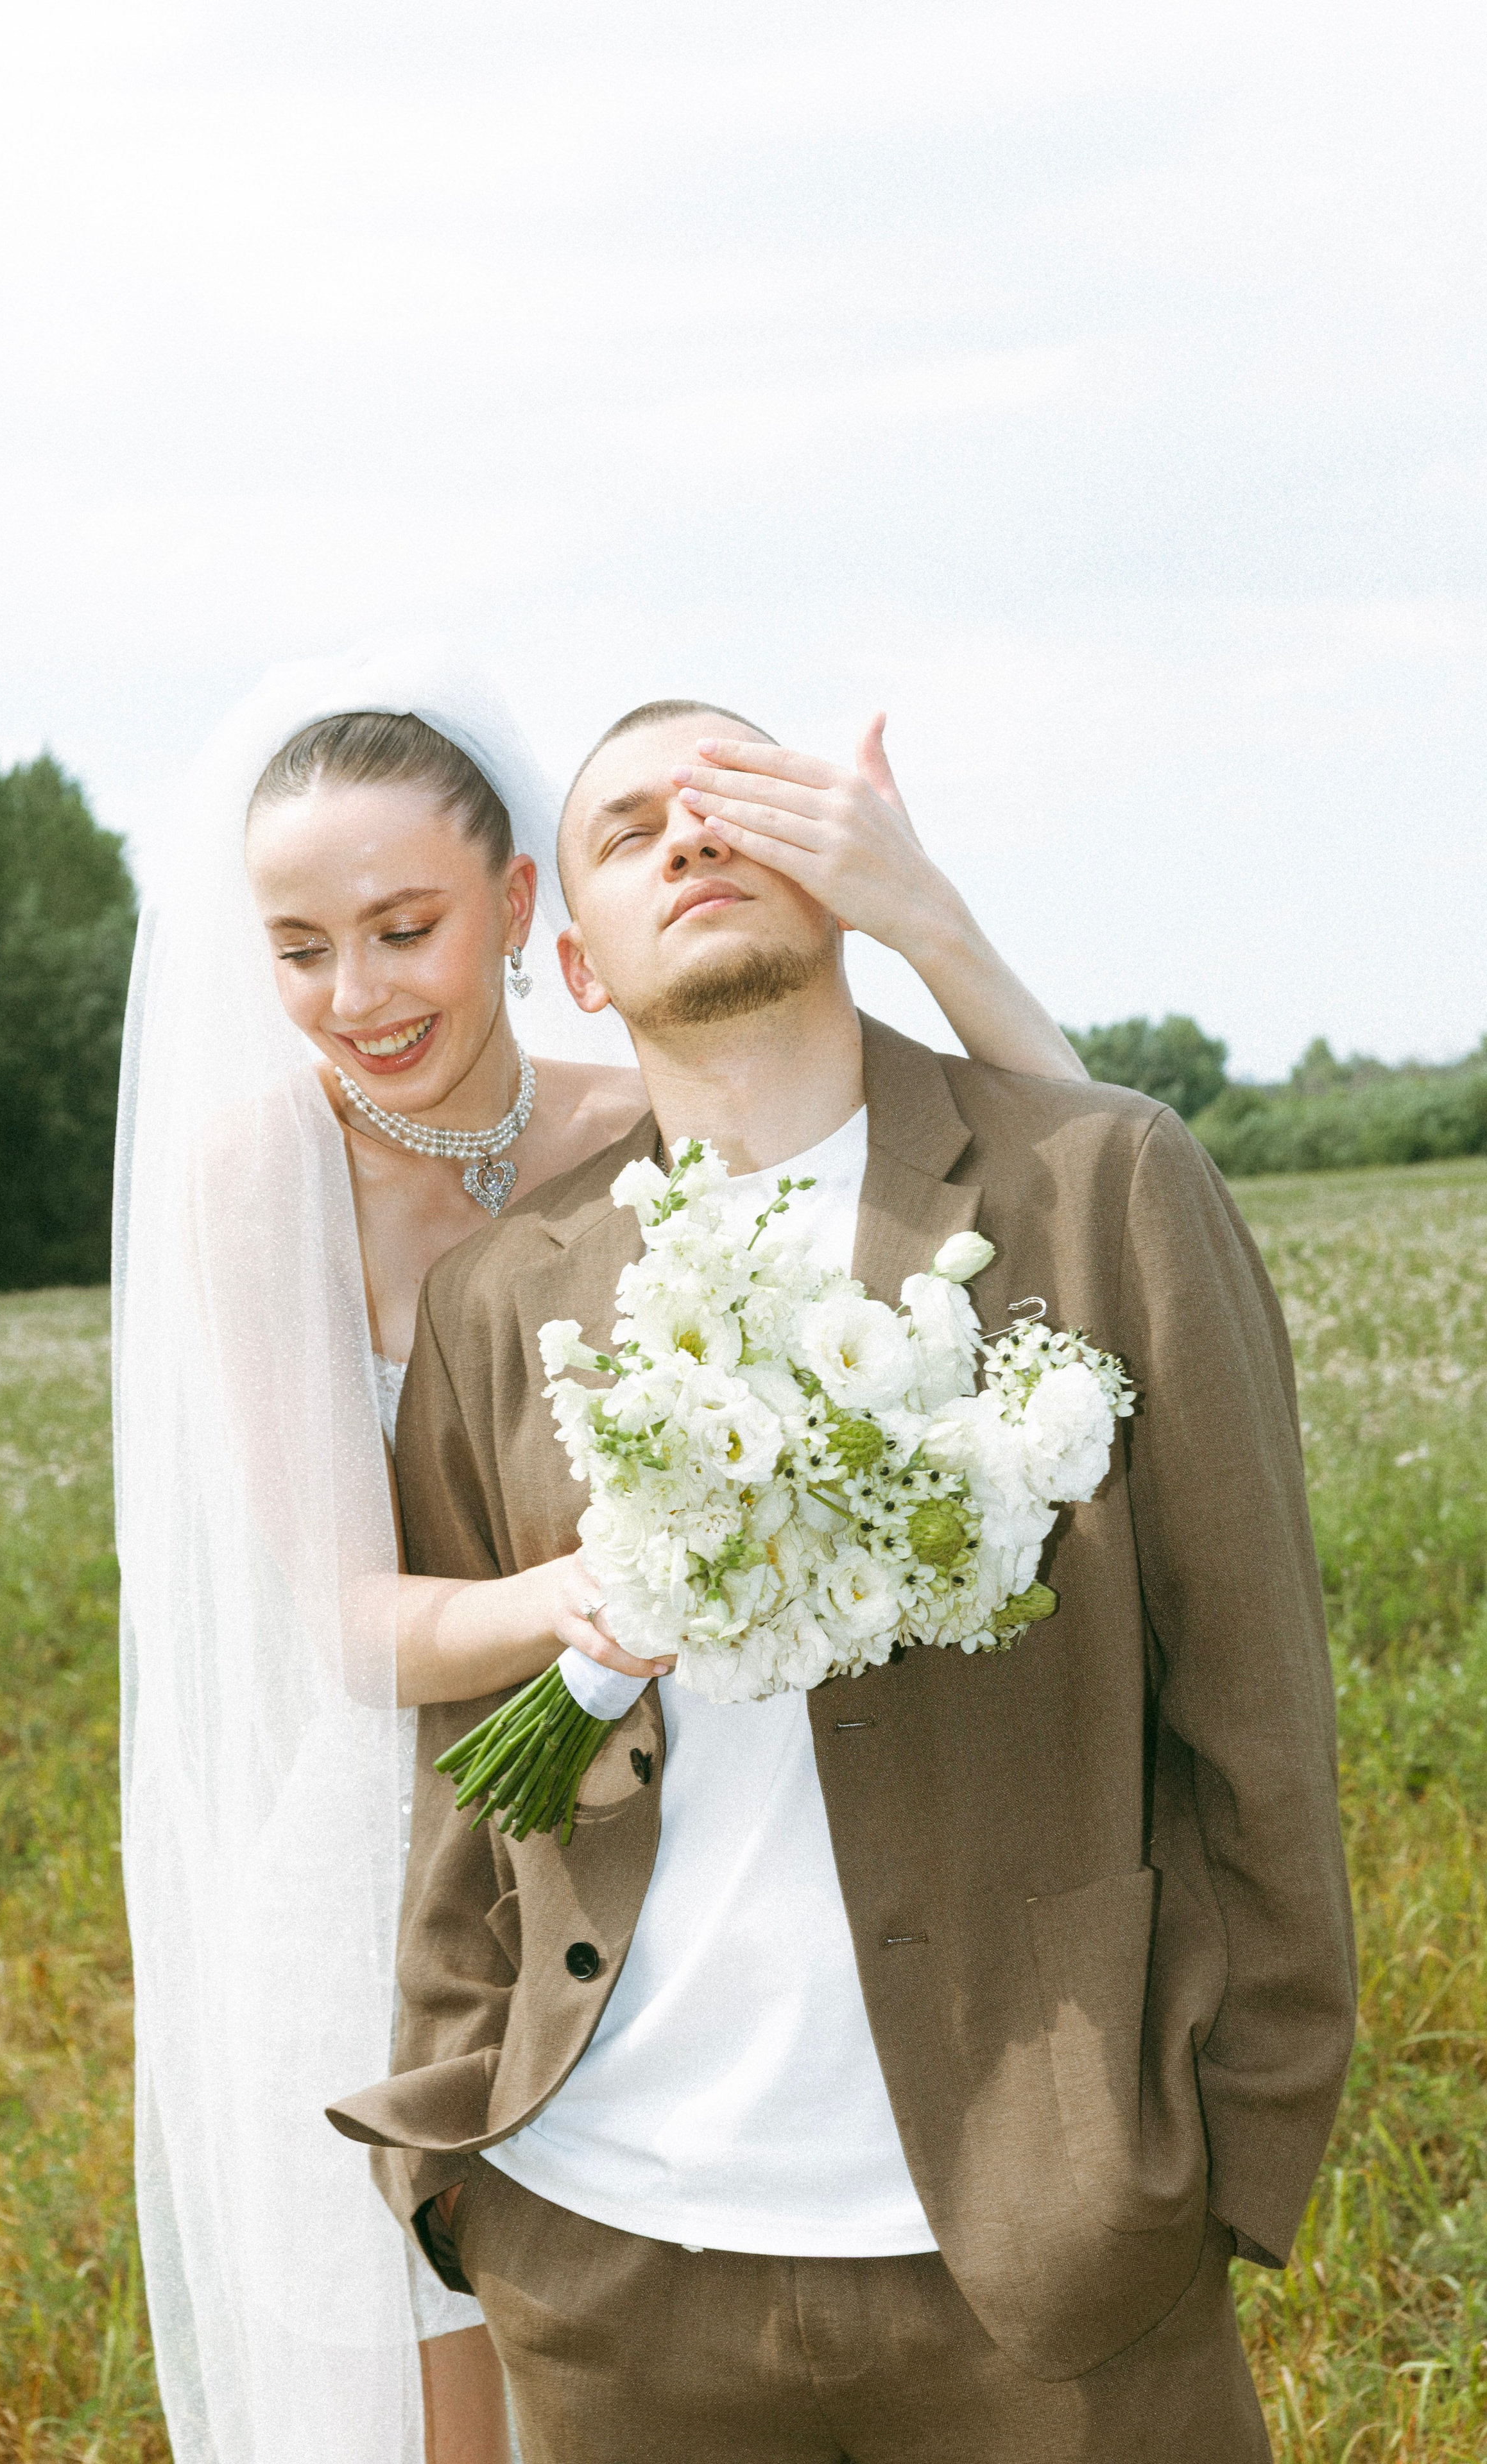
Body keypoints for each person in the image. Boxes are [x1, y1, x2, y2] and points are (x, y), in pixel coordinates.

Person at [327, 697, 1359, 2463]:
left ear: (838, 873)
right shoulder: (508, 1296)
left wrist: (1227, 2136)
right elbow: (463, 1764)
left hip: (1049, 2251)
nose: (693, 837)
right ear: (573, 961)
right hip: (608, 2250)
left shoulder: (1095, 1186)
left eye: (740, 798)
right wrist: (470, 2162)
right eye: (632, 826)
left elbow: (1255, 1690)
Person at [114, 642, 1086, 2464]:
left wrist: (929, 921)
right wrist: (593, 1593)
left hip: (644, 1847)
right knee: (434, 2400)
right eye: (301, 949)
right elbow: (347, 1621)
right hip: (399, 1850)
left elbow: (1077, 1165)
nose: (355, 994)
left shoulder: (640, 1112)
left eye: (402, 928)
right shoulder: (259, 1180)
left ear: (514, 909)